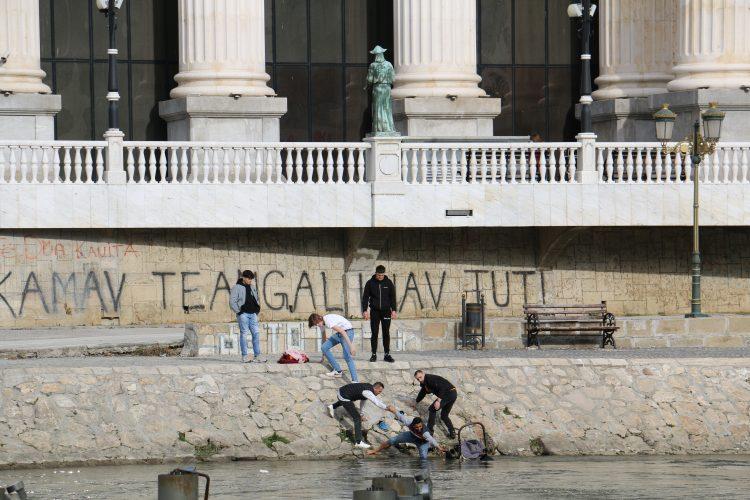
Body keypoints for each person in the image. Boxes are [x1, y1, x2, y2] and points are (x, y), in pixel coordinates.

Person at [326, 382, 395, 449]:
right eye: (379, 391)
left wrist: (361, 414)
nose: (379, 393)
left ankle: (332, 406)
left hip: (342, 391)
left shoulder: (368, 387)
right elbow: (376, 402)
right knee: (357, 418)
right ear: (375, 388)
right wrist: (386, 407)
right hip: (343, 395)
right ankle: (358, 442)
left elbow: (363, 402)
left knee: (351, 398)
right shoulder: (368, 392)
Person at [367, 410, 447, 460]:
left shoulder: (425, 433)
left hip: (422, 442)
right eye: (417, 427)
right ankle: (375, 451)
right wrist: (392, 410)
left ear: (422, 424)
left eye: (420, 426)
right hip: (410, 436)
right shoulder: (408, 422)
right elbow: (400, 416)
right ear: (413, 424)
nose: (419, 428)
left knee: (423, 459)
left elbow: (432, 440)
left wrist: (439, 447)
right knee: (391, 440)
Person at [362, 265, 397, 363]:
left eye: (382, 275)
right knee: (374, 333)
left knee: (386, 332)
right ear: (376, 273)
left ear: (384, 274)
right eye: (379, 275)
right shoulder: (370, 283)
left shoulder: (388, 283)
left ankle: (387, 354)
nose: (380, 276)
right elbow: (365, 297)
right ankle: (373, 354)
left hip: (386, 311)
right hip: (375, 312)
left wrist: (393, 310)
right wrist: (365, 310)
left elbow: (392, 297)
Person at [309, 313, 358, 381]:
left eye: (317, 323)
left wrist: (351, 346)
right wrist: (324, 354)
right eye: (315, 324)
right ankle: (338, 371)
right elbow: (324, 337)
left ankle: (355, 381)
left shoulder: (328, 321)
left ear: (319, 319)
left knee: (347, 356)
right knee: (324, 347)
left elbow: (343, 331)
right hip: (340, 334)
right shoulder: (322, 323)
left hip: (348, 332)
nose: (317, 325)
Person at [229, 270, 263, 363]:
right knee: (244, 334)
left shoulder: (252, 287)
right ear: (243, 277)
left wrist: (257, 309)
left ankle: (257, 355)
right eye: (248, 278)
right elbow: (232, 302)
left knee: (256, 333)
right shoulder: (237, 287)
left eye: (251, 279)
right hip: (243, 314)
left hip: (253, 314)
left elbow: (256, 299)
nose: (250, 280)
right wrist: (239, 312)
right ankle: (245, 356)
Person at [414, 370, 458, 439]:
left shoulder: (430, 379)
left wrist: (438, 400)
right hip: (453, 393)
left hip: (448, 393)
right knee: (444, 415)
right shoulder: (425, 383)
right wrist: (416, 402)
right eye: (417, 379)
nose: (419, 380)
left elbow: (442, 387)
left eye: (420, 377)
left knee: (432, 409)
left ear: (423, 374)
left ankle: (430, 431)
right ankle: (452, 432)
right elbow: (422, 392)